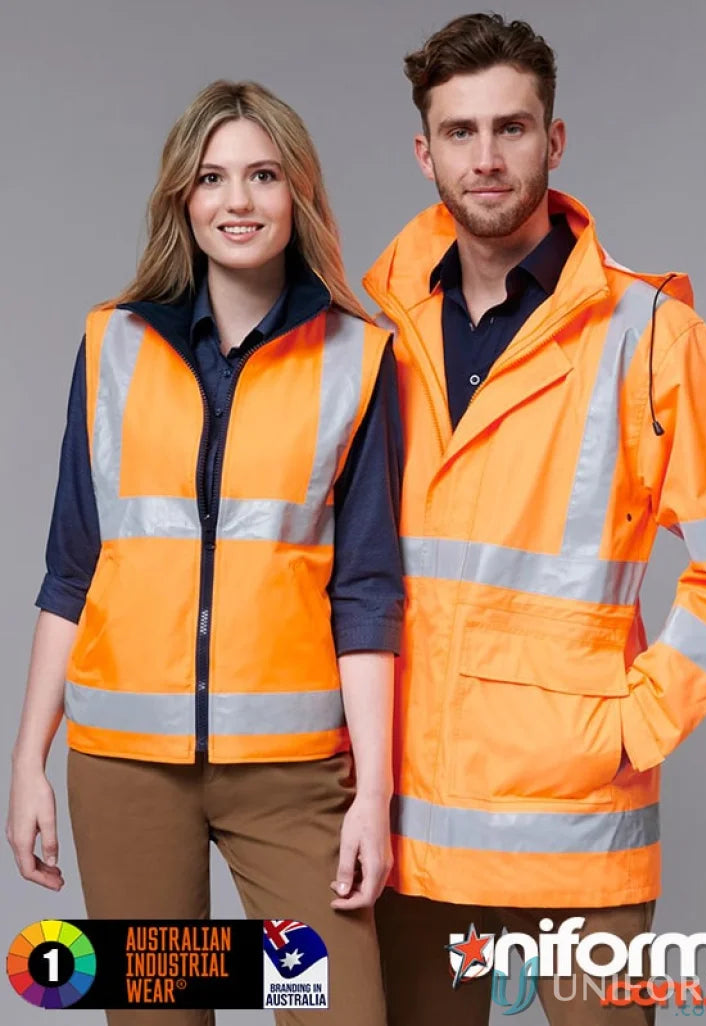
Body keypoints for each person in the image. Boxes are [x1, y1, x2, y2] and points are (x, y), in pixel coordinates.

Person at [362, 13, 706, 1026]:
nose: (485, 157)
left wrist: (638, 724)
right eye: (459, 132)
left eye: (511, 127)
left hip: (577, 823)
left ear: (553, 139)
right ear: (423, 152)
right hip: (410, 826)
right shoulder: (377, 336)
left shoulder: (650, 336)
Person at [7, 79, 403, 1026]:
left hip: (293, 775)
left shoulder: (357, 358)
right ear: (182, 198)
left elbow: (366, 592)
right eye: (213, 178)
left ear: (298, 192)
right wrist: (28, 761)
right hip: (126, 769)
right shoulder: (111, 344)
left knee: (341, 1011)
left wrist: (374, 794)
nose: (238, 201)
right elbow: (72, 568)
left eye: (263, 175)